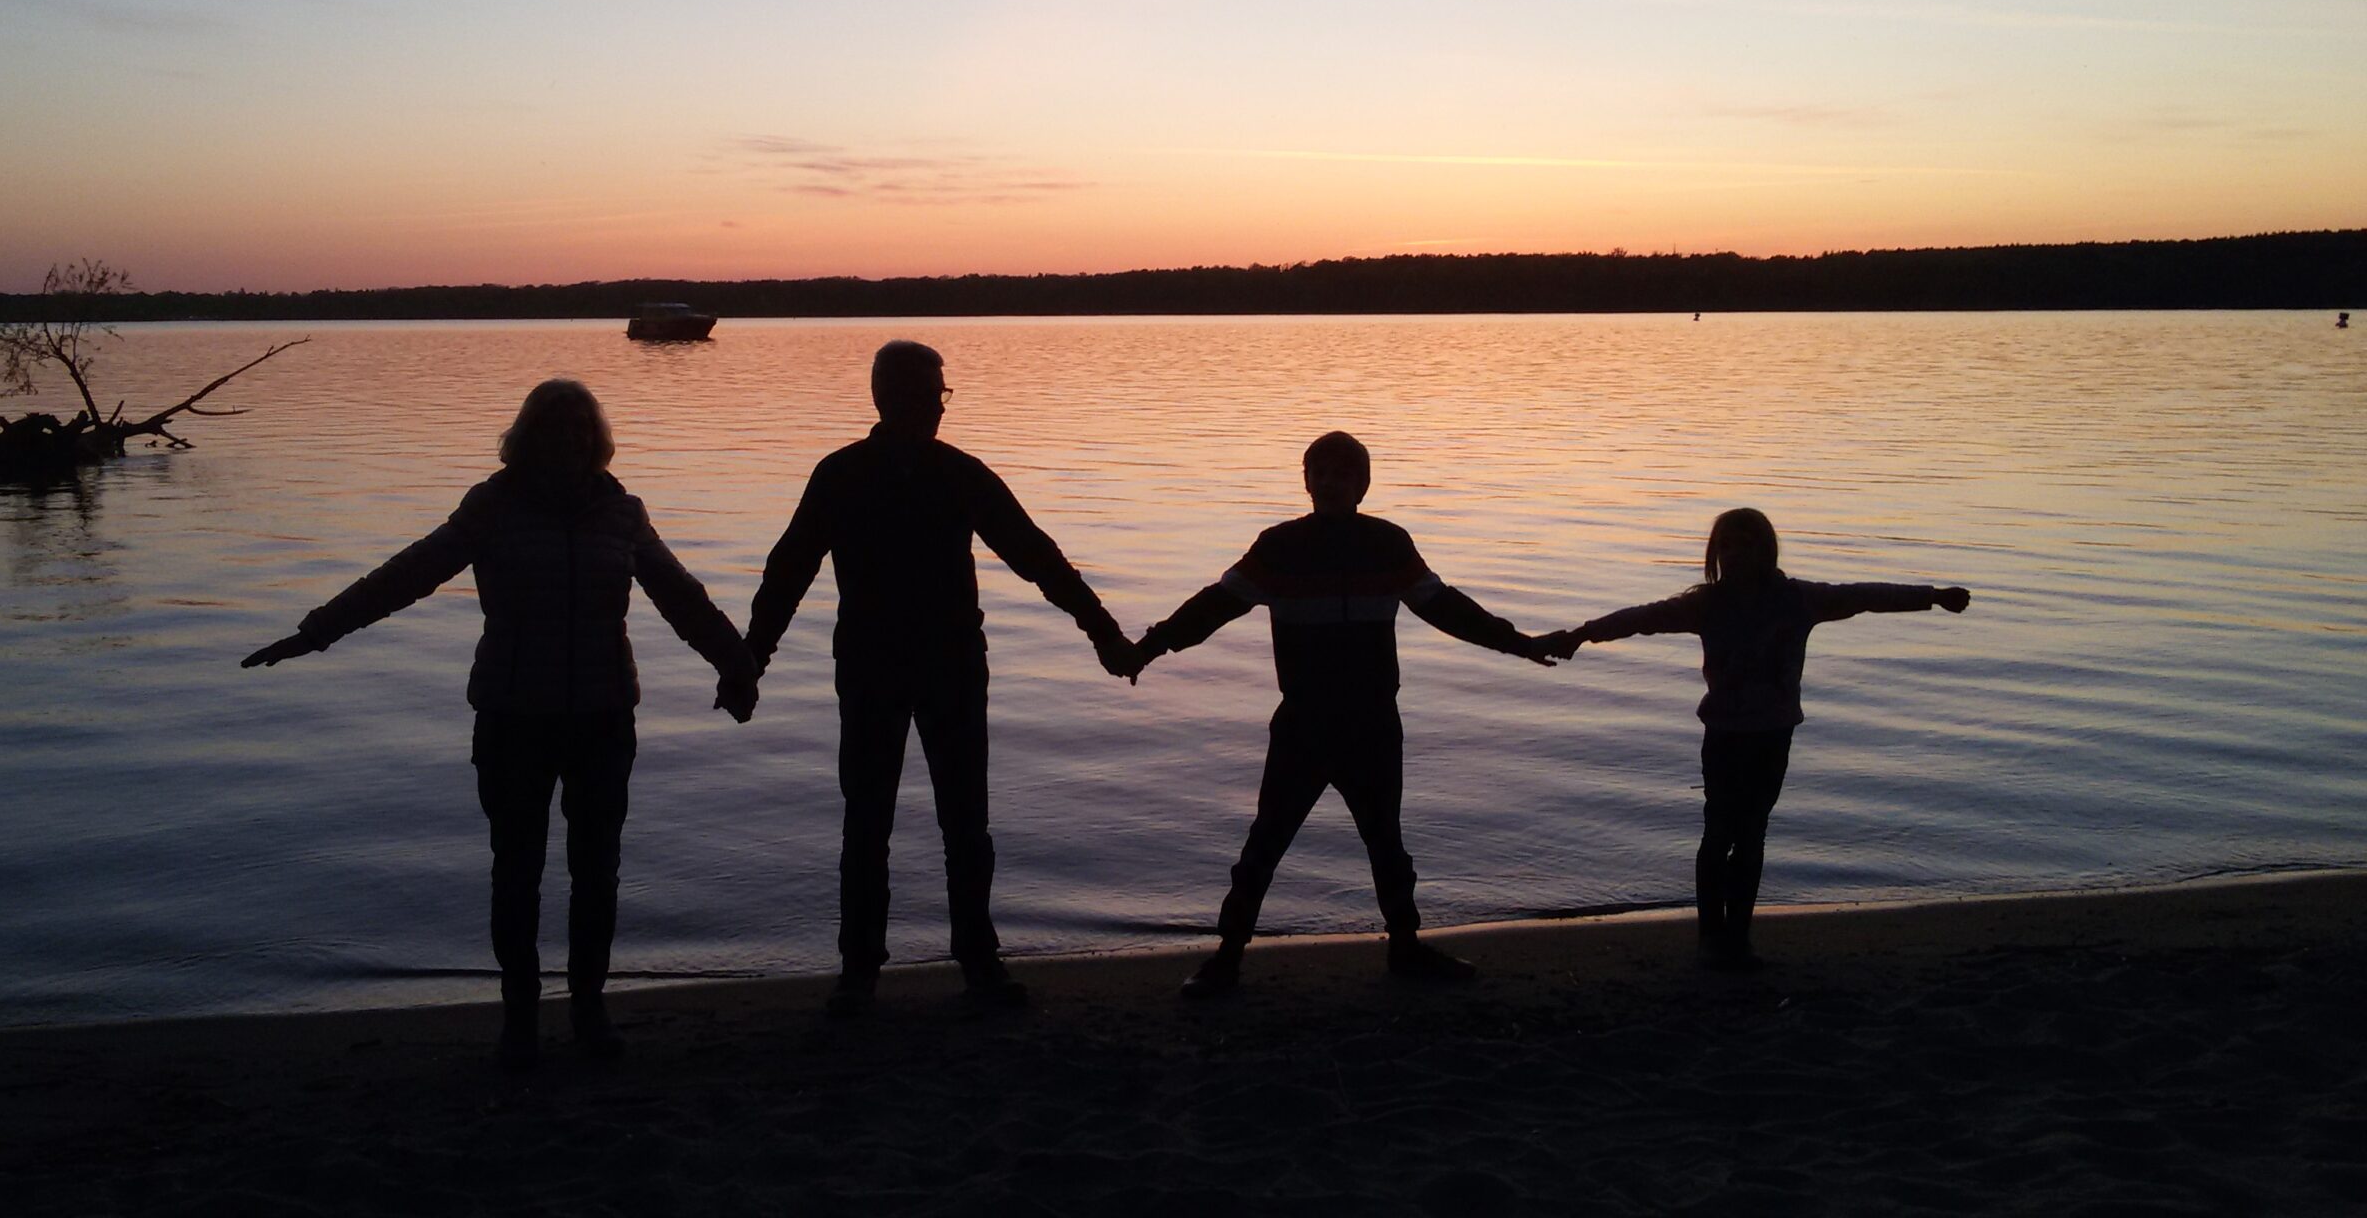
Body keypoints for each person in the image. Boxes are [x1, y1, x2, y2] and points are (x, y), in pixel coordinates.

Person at [242, 378, 758, 1070]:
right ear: (527, 436)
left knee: (596, 871)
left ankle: (588, 1008)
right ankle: (519, 1017)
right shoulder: (494, 507)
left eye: (580, 428)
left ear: (596, 440)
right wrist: (316, 632)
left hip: (603, 717)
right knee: (516, 871)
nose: (569, 440)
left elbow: (681, 597)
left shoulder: (622, 513)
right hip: (514, 718)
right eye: (554, 427)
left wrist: (736, 664)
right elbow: (408, 573)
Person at [746, 341, 1141, 1014]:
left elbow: (1033, 553)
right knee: (868, 820)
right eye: (931, 395)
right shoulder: (842, 475)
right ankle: (860, 968)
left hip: (953, 665)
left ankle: (977, 959)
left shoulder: (957, 473)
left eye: (940, 396)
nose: (938, 407)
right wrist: (751, 661)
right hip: (870, 668)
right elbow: (789, 571)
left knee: (965, 819)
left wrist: (1100, 627)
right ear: (890, 398)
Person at [1133, 431, 1556, 998]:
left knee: (1386, 843)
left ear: (1362, 485)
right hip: (1303, 723)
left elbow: (1446, 608)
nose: (1330, 482)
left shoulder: (1390, 544)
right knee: (1266, 842)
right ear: (1306, 480)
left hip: (1373, 722)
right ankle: (1226, 958)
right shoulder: (1277, 546)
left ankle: (1405, 949)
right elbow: (1214, 606)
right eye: (1320, 472)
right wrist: (1148, 647)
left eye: (1342, 474)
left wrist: (1517, 643)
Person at [1541, 508, 1970, 969]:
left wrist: (1932, 596)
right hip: (1724, 734)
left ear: (1764, 551)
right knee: (1718, 832)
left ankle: (1739, 940)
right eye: (1725, 545)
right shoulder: (1706, 604)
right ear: (1714, 552)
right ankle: (1711, 941)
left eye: (1744, 544)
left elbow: (1864, 596)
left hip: (1773, 735)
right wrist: (1583, 634)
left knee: (1751, 835)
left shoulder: (1797, 600)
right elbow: (1643, 618)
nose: (1733, 553)